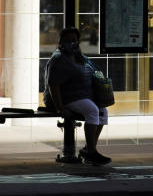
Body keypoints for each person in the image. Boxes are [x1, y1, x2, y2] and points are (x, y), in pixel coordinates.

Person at [44, 26, 111, 166]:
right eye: (67, 40)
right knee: (92, 110)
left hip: (82, 96)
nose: (71, 43)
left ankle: (88, 148)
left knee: (102, 111)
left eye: (74, 40)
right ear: (60, 42)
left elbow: (94, 71)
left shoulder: (80, 57)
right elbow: (53, 85)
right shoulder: (58, 59)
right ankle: (92, 152)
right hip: (66, 98)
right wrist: (60, 108)